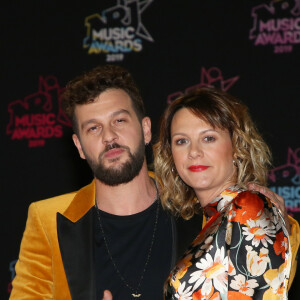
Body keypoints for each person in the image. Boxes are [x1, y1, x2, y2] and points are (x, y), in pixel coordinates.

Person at [10, 66, 298, 300]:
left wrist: (276, 217)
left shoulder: (200, 205)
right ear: (79, 146)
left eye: (119, 121)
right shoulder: (47, 219)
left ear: (146, 130)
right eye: (93, 128)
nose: (109, 136)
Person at [153, 87, 298, 299]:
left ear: (236, 146)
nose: (194, 151)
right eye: (181, 141)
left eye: (208, 138)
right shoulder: (211, 218)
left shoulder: (249, 206)